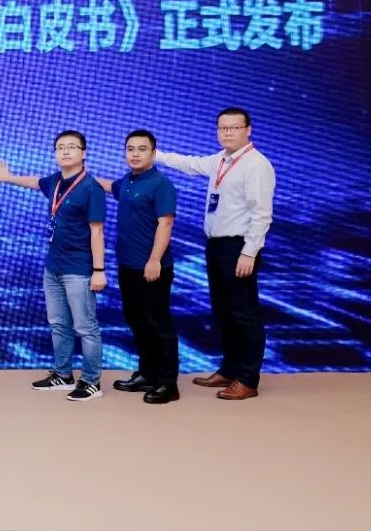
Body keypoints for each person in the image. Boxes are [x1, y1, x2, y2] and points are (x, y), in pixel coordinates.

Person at [156, 107, 275, 401]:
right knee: (224, 311)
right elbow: (190, 163)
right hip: (216, 246)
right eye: (222, 128)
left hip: (238, 247)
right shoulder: (220, 160)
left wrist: (249, 252)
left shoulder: (256, 165)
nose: (227, 133)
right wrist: (155, 154)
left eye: (234, 127)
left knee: (245, 313)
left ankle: (248, 379)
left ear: (248, 130)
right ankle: (230, 368)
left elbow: (262, 214)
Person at [0, 130, 107, 402]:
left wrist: (99, 271)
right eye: (60, 147)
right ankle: (63, 374)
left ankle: (91, 381)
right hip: (53, 266)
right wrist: (9, 178)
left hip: (79, 269)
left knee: (86, 327)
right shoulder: (56, 181)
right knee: (58, 324)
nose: (65, 151)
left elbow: (97, 232)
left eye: (72, 147)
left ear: (84, 153)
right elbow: (36, 182)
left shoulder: (91, 188)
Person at [95, 130, 180, 404]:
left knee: (158, 324)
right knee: (137, 321)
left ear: (153, 153)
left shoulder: (161, 184)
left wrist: (154, 260)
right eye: (130, 149)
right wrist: (77, 176)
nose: (135, 154)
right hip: (128, 265)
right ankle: (148, 374)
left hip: (152, 267)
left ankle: (167, 383)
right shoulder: (128, 181)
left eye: (142, 149)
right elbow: (109, 186)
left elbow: (166, 223)